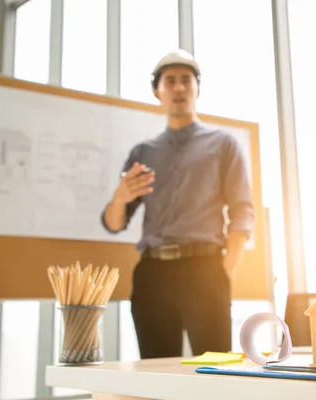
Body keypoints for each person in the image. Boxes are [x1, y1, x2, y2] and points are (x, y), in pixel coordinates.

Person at [101, 49, 255, 359]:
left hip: (205, 269)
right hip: (152, 274)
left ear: (198, 88)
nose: (179, 88)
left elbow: (243, 213)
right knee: (156, 371)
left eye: (186, 80)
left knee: (215, 372)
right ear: (157, 91)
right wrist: (120, 197)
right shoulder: (143, 152)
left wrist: (223, 273)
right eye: (170, 81)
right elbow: (115, 224)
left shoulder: (224, 144)